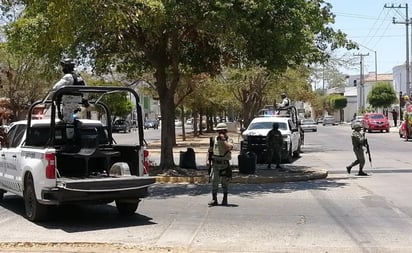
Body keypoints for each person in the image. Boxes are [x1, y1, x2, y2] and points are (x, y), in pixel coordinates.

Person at [208, 123, 234, 206]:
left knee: (224, 182)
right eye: (218, 131)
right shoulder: (213, 139)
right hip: (215, 163)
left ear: (225, 131)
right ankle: (214, 199)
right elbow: (210, 150)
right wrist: (208, 161)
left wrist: (223, 140)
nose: (219, 133)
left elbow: (229, 147)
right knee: (214, 181)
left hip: (224, 164)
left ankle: (225, 199)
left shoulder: (229, 139)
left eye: (221, 131)